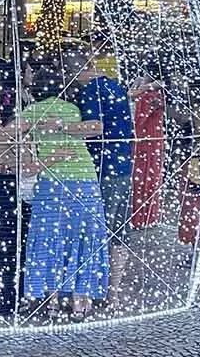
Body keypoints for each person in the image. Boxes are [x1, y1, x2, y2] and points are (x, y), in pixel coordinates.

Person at [21, 79, 108, 321]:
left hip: (51, 182)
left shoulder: (32, 111)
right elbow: (93, 130)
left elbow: (13, 133)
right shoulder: (75, 110)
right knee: (85, 239)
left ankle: (52, 302)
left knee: (49, 240)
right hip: (85, 179)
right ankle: (81, 302)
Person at [76, 55, 135, 299]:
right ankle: (113, 292)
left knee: (97, 230)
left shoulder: (90, 90)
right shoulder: (117, 86)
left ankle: (92, 291)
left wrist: (58, 127)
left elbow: (94, 127)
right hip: (122, 165)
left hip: (102, 168)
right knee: (119, 231)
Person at [0, 103, 41, 317]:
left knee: (0, 241)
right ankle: (8, 295)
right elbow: (26, 162)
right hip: (8, 185)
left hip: (2, 185)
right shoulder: (13, 133)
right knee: (10, 241)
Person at [129, 62, 166, 229]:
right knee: (149, 180)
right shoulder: (158, 94)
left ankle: (139, 218)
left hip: (144, 143)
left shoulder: (149, 96)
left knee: (141, 181)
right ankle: (147, 217)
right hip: (153, 142)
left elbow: (137, 121)